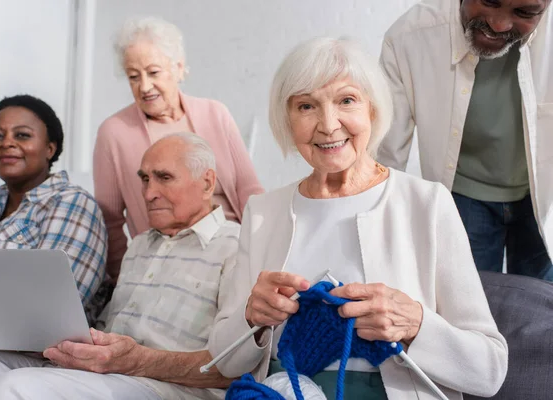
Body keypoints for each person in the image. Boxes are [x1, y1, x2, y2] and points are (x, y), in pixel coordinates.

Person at [208, 37, 508, 400]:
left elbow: (489, 370)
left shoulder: (427, 204)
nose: (328, 125)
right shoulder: (262, 213)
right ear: (287, 121)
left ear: (373, 110)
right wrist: (251, 319)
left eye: (346, 100)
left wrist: (414, 325)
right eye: (306, 106)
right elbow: (224, 363)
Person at [0, 133, 240, 400]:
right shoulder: (139, 246)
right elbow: (110, 327)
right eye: (144, 179)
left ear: (207, 183)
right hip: (98, 370)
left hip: (165, 386)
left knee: (17, 387)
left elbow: (235, 365)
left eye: (164, 177)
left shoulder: (236, 246)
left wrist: (138, 361)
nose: (149, 193)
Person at [377, 0, 553, 280]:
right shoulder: (410, 37)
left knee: (543, 309)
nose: (499, 24)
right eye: (490, 2)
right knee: (470, 307)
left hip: (544, 197)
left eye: (525, 12)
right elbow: (385, 150)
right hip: (464, 197)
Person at [94, 16, 263, 283]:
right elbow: (110, 221)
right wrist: (126, 280)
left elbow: (249, 192)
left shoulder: (215, 114)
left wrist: (261, 254)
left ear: (179, 67)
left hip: (231, 251)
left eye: (154, 72)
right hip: (163, 264)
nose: (145, 86)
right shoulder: (113, 132)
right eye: (133, 77)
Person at [0, 94, 106, 321]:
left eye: (22, 135)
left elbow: (50, 309)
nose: (6, 143)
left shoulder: (72, 203)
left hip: (27, 351)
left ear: (50, 149)